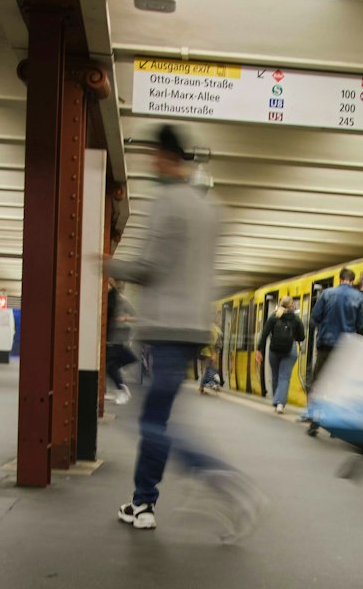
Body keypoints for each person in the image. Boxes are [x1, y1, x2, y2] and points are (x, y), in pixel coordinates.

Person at [107, 124, 264, 537]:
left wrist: (105, 263)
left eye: (152, 156)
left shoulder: (168, 202)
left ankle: (219, 475)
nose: (150, 164)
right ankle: (142, 502)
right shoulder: (212, 209)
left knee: (150, 423)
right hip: (194, 328)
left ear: (165, 156)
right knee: (156, 417)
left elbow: (149, 267)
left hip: (164, 329)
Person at [305, 268, 363, 436]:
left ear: (340, 279)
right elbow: (361, 323)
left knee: (319, 383)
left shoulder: (327, 294)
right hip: (345, 346)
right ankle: (335, 427)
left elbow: (315, 316)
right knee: (339, 385)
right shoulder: (359, 297)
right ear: (352, 280)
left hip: (325, 343)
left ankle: (314, 421)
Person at [257, 297, 305, 413]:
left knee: (275, 376)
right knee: (284, 377)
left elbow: (264, 334)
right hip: (290, 350)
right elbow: (302, 336)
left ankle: (276, 399)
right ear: (291, 305)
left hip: (274, 350)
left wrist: (259, 350)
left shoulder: (273, 317)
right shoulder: (295, 318)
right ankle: (280, 403)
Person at [104, 281, 134, 405]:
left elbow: (137, 316)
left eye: (108, 284)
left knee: (111, 365)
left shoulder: (122, 300)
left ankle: (122, 389)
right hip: (110, 337)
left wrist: (125, 319)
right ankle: (119, 389)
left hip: (118, 336)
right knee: (110, 365)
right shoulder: (105, 299)